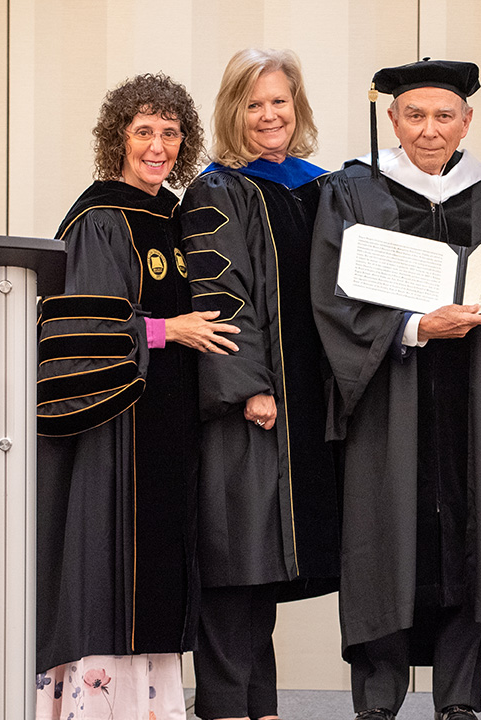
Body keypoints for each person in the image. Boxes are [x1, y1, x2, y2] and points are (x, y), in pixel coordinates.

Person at [309, 59, 481, 720]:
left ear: (466, 121)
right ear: (393, 119)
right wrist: (414, 327)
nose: (430, 130)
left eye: (445, 116)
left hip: (474, 397)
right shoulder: (352, 191)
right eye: (414, 115)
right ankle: (378, 700)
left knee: (473, 538)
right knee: (381, 536)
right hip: (391, 398)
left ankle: (460, 702)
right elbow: (331, 298)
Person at [35, 72, 240, 720]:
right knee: (110, 569)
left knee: (160, 574)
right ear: (117, 138)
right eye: (144, 131)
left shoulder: (178, 219)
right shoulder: (97, 218)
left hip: (171, 427)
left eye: (170, 133)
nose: (158, 146)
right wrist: (166, 328)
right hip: (113, 432)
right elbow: (85, 330)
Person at [179, 48, 341, 720]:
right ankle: (223, 705)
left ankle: (261, 707)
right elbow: (221, 293)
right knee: (234, 562)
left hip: (304, 403)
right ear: (232, 112)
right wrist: (249, 386)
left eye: (279, 101)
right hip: (250, 404)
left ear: (295, 107)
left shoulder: (319, 187)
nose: (269, 115)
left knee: (264, 566)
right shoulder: (217, 191)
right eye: (254, 104)